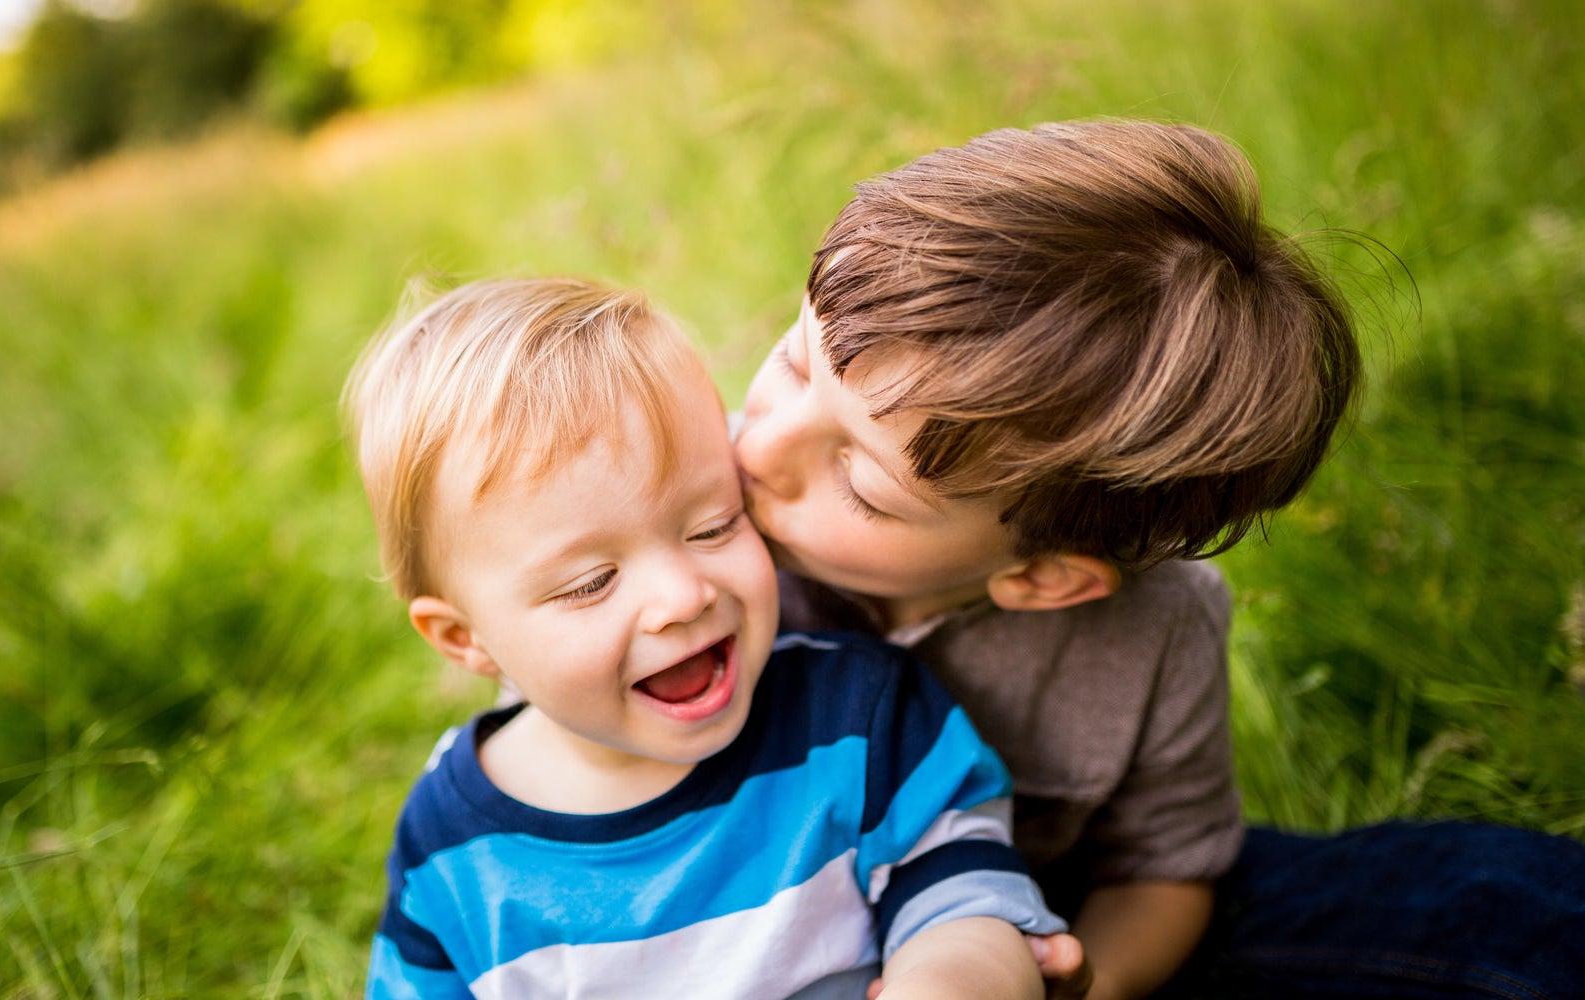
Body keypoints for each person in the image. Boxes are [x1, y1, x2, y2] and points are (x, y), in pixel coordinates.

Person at [732, 119, 1585, 999]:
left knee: (1496, 907)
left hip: (1029, 922)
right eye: (795, 364)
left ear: (1043, 578)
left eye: (864, 486)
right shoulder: (681, 542)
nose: (760, 448)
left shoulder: (1155, 632)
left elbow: (1164, 873)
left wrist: (1089, 981)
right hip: (721, 922)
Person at [344, 276, 1069, 1000]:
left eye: (714, 526)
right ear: (466, 638)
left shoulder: (859, 721)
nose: (683, 597)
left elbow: (967, 903)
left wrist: (953, 977)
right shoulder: (451, 847)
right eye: (592, 581)